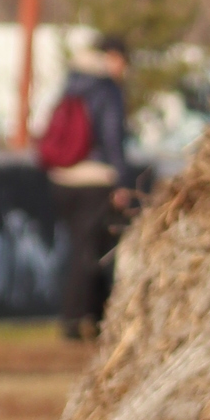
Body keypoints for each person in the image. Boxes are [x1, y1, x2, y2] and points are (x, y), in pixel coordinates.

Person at [41, 34, 135, 338]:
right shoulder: (106, 89)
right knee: (93, 250)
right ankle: (77, 320)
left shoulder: (72, 84)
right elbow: (112, 138)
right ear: (112, 58)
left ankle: (91, 316)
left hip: (62, 178)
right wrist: (122, 181)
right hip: (94, 178)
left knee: (81, 247)